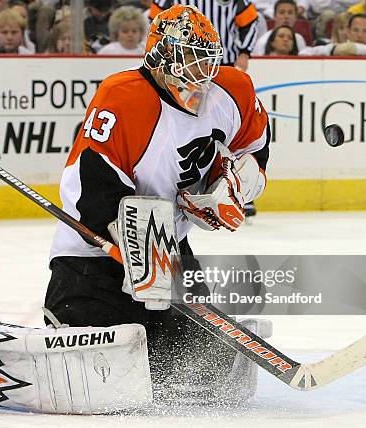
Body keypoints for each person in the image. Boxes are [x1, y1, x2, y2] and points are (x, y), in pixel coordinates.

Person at [45, 5, 270, 403]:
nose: (201, 74)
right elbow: (88, 182)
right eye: (190, 60)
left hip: (171, 250)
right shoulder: (124, 95)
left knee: (203, 367)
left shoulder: (233, 89)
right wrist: (138, 245)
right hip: (93, 256)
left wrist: (227, 187)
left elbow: (255, 148)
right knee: (105, 370)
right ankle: (71, 318)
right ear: (160, 55)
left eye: (208, 61)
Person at [149, 0, 260, 71]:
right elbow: (156, 22)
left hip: (225, 61)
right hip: (182, 61)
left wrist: (244, 53)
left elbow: (250, 23)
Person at [300, 13, 366, 55]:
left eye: (365, 31)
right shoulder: (337, 48)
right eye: (356, 30)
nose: (360, 35)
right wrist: (332, 50)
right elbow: (303, 53)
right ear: (348, 31)